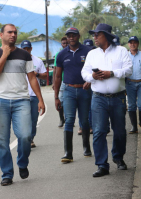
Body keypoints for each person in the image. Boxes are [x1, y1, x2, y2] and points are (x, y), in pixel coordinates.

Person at [0, 24, 45, 186]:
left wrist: (40, 99)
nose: (13, 35)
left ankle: (22, 162)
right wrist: (4, 56)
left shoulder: (24, 55)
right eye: (9, 32)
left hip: (22, 101)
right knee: (1, 140)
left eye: (15, 33)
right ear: (1, 35)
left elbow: (32, 78)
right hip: (0, 100)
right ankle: (7, 173)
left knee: (26, 135)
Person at [81, 23, 133, 177]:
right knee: (98, 132)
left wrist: (112, 73)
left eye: (97, 34)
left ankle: (118, 158)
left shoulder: (121, 51)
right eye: (94, 35)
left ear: (107, 36)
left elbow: (129, 70)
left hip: (118, 98)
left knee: (119, 131)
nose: (94, 37)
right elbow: (84, 72)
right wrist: (92, 77)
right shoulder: (92, 54)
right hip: (98, 98)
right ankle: (102, 165)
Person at [54, 27, 92, 163]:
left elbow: (94, 70)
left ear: (78, 36)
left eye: (74, 35)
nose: (71, 37)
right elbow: (58, 76)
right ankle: (68, 153)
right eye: (69, 35)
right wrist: (56, 97)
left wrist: (90, 80)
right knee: (69, 120)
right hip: (69, 90)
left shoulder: (88, 52)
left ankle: (87, 147)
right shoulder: (62, 55)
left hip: (84, 90)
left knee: (84, 120)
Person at [21, 40, 47, 148]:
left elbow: (45, 75)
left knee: (33, 119)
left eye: (27, 49)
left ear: (31, 49)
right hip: (22, 95)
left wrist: (37, 74)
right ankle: (24, 138)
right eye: (24, 49)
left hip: (34, 95)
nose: (26, 51)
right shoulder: (18, 61)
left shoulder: (38, 61)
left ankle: (31, 138)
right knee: (23, 119)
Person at [78, 39, 95, 135]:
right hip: (81, 84)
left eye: (90, 48)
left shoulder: (95, 56)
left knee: (92, 106)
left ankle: (91, 126)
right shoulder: (80, 55)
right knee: (82, 107)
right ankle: (82, 126)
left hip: (93, 83)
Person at [53, 37, 68, 127]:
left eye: (66, 43)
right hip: (61, 81)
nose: (65, 45)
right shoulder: (59, 54)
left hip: (71, 82)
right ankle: (61, 119)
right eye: (63, 43)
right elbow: (55, 70)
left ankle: (69, 119)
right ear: (61, 44)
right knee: (60, 100)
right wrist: (54, 83)